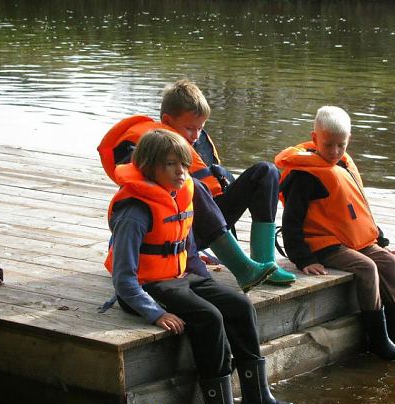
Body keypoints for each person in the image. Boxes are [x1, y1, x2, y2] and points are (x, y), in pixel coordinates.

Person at [105, 129, 295, 404]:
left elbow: (187, 249)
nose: (181, 172)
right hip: (147, 289)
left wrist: (203, 281)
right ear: (148, 167)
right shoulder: (135, 211)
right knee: (209, 317)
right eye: (170, 165)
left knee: (239, 305)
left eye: (184, 164)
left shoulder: (180, 194)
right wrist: (156, 313)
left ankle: (256, 394)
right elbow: (124, 279)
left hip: (180, 277)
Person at [98, 79, 296, 292]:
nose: (195, 135)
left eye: (200, 128)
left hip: (209, 223)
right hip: (173, 231)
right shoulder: (145, 145)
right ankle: (244, 270)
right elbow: (136, 187)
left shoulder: (196, 141)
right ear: (167, 121)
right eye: (189, 128)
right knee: (193, 186)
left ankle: (266, 265)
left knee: (267, 172)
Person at [275, 106, 395, 361]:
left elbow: (358, 211)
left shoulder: (343, 165)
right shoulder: (305, 175)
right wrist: (304, 259)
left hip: (353, 240)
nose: (335, 152)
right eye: (328, 145)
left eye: (341, 145)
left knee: (388, 262)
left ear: (349, 141)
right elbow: (291, 222)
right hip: (323, 243)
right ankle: (377, 339)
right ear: (315, 139)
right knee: (367, 268)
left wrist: (381, 242)